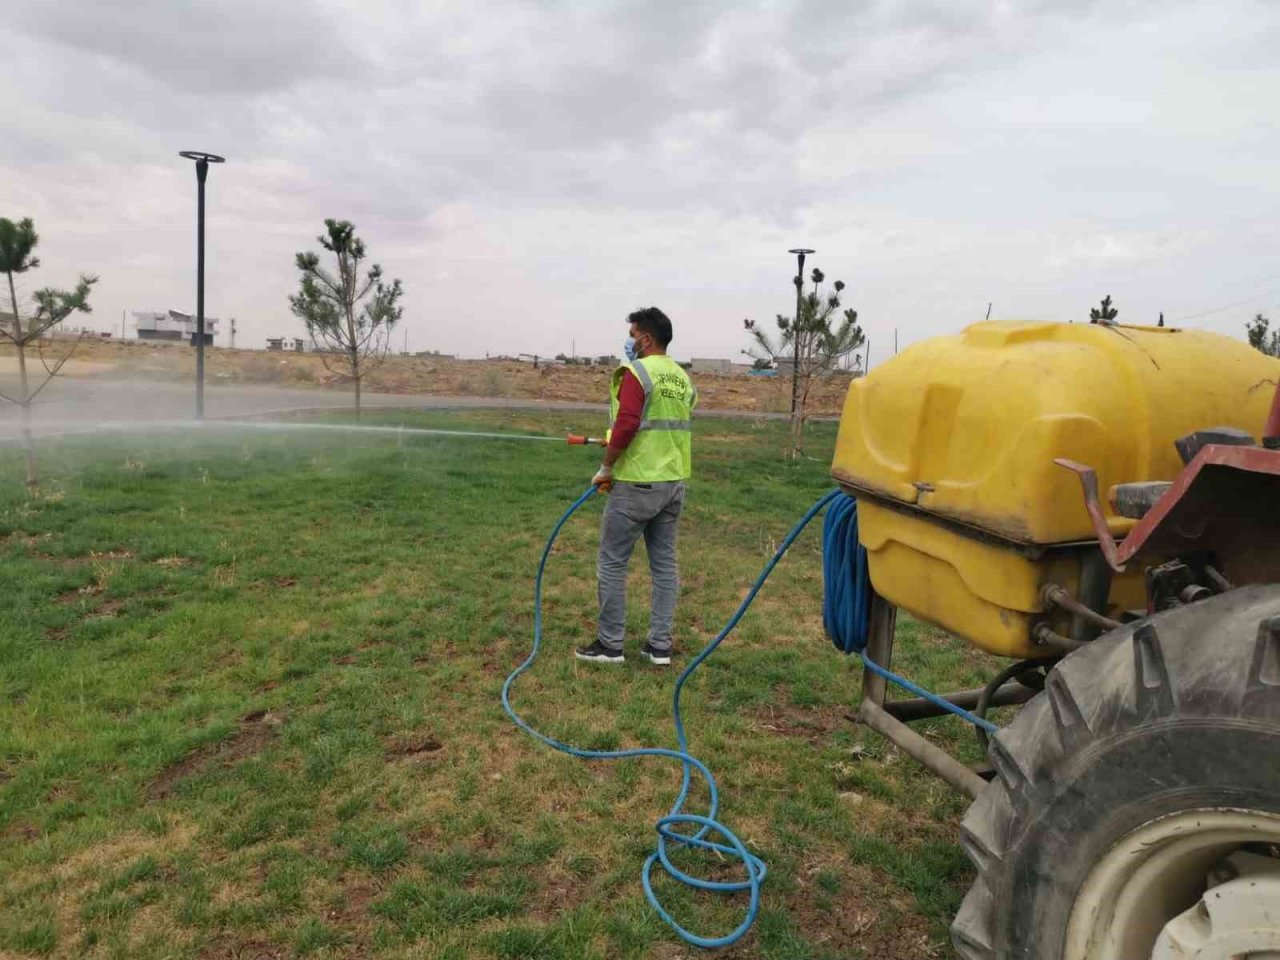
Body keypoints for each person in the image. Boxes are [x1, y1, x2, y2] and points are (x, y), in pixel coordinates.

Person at [575, 307, 697, 666]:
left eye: (632, 335)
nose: (629, 342)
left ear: (646, 338)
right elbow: (662, 424)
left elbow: (628, 423)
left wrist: (607, 466)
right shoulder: (682, 378)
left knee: (612, 563)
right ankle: (659, 647)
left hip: (637, 483)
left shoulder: (637, 372)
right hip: (673, 483)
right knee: (664, 566)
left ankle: (610, 645)